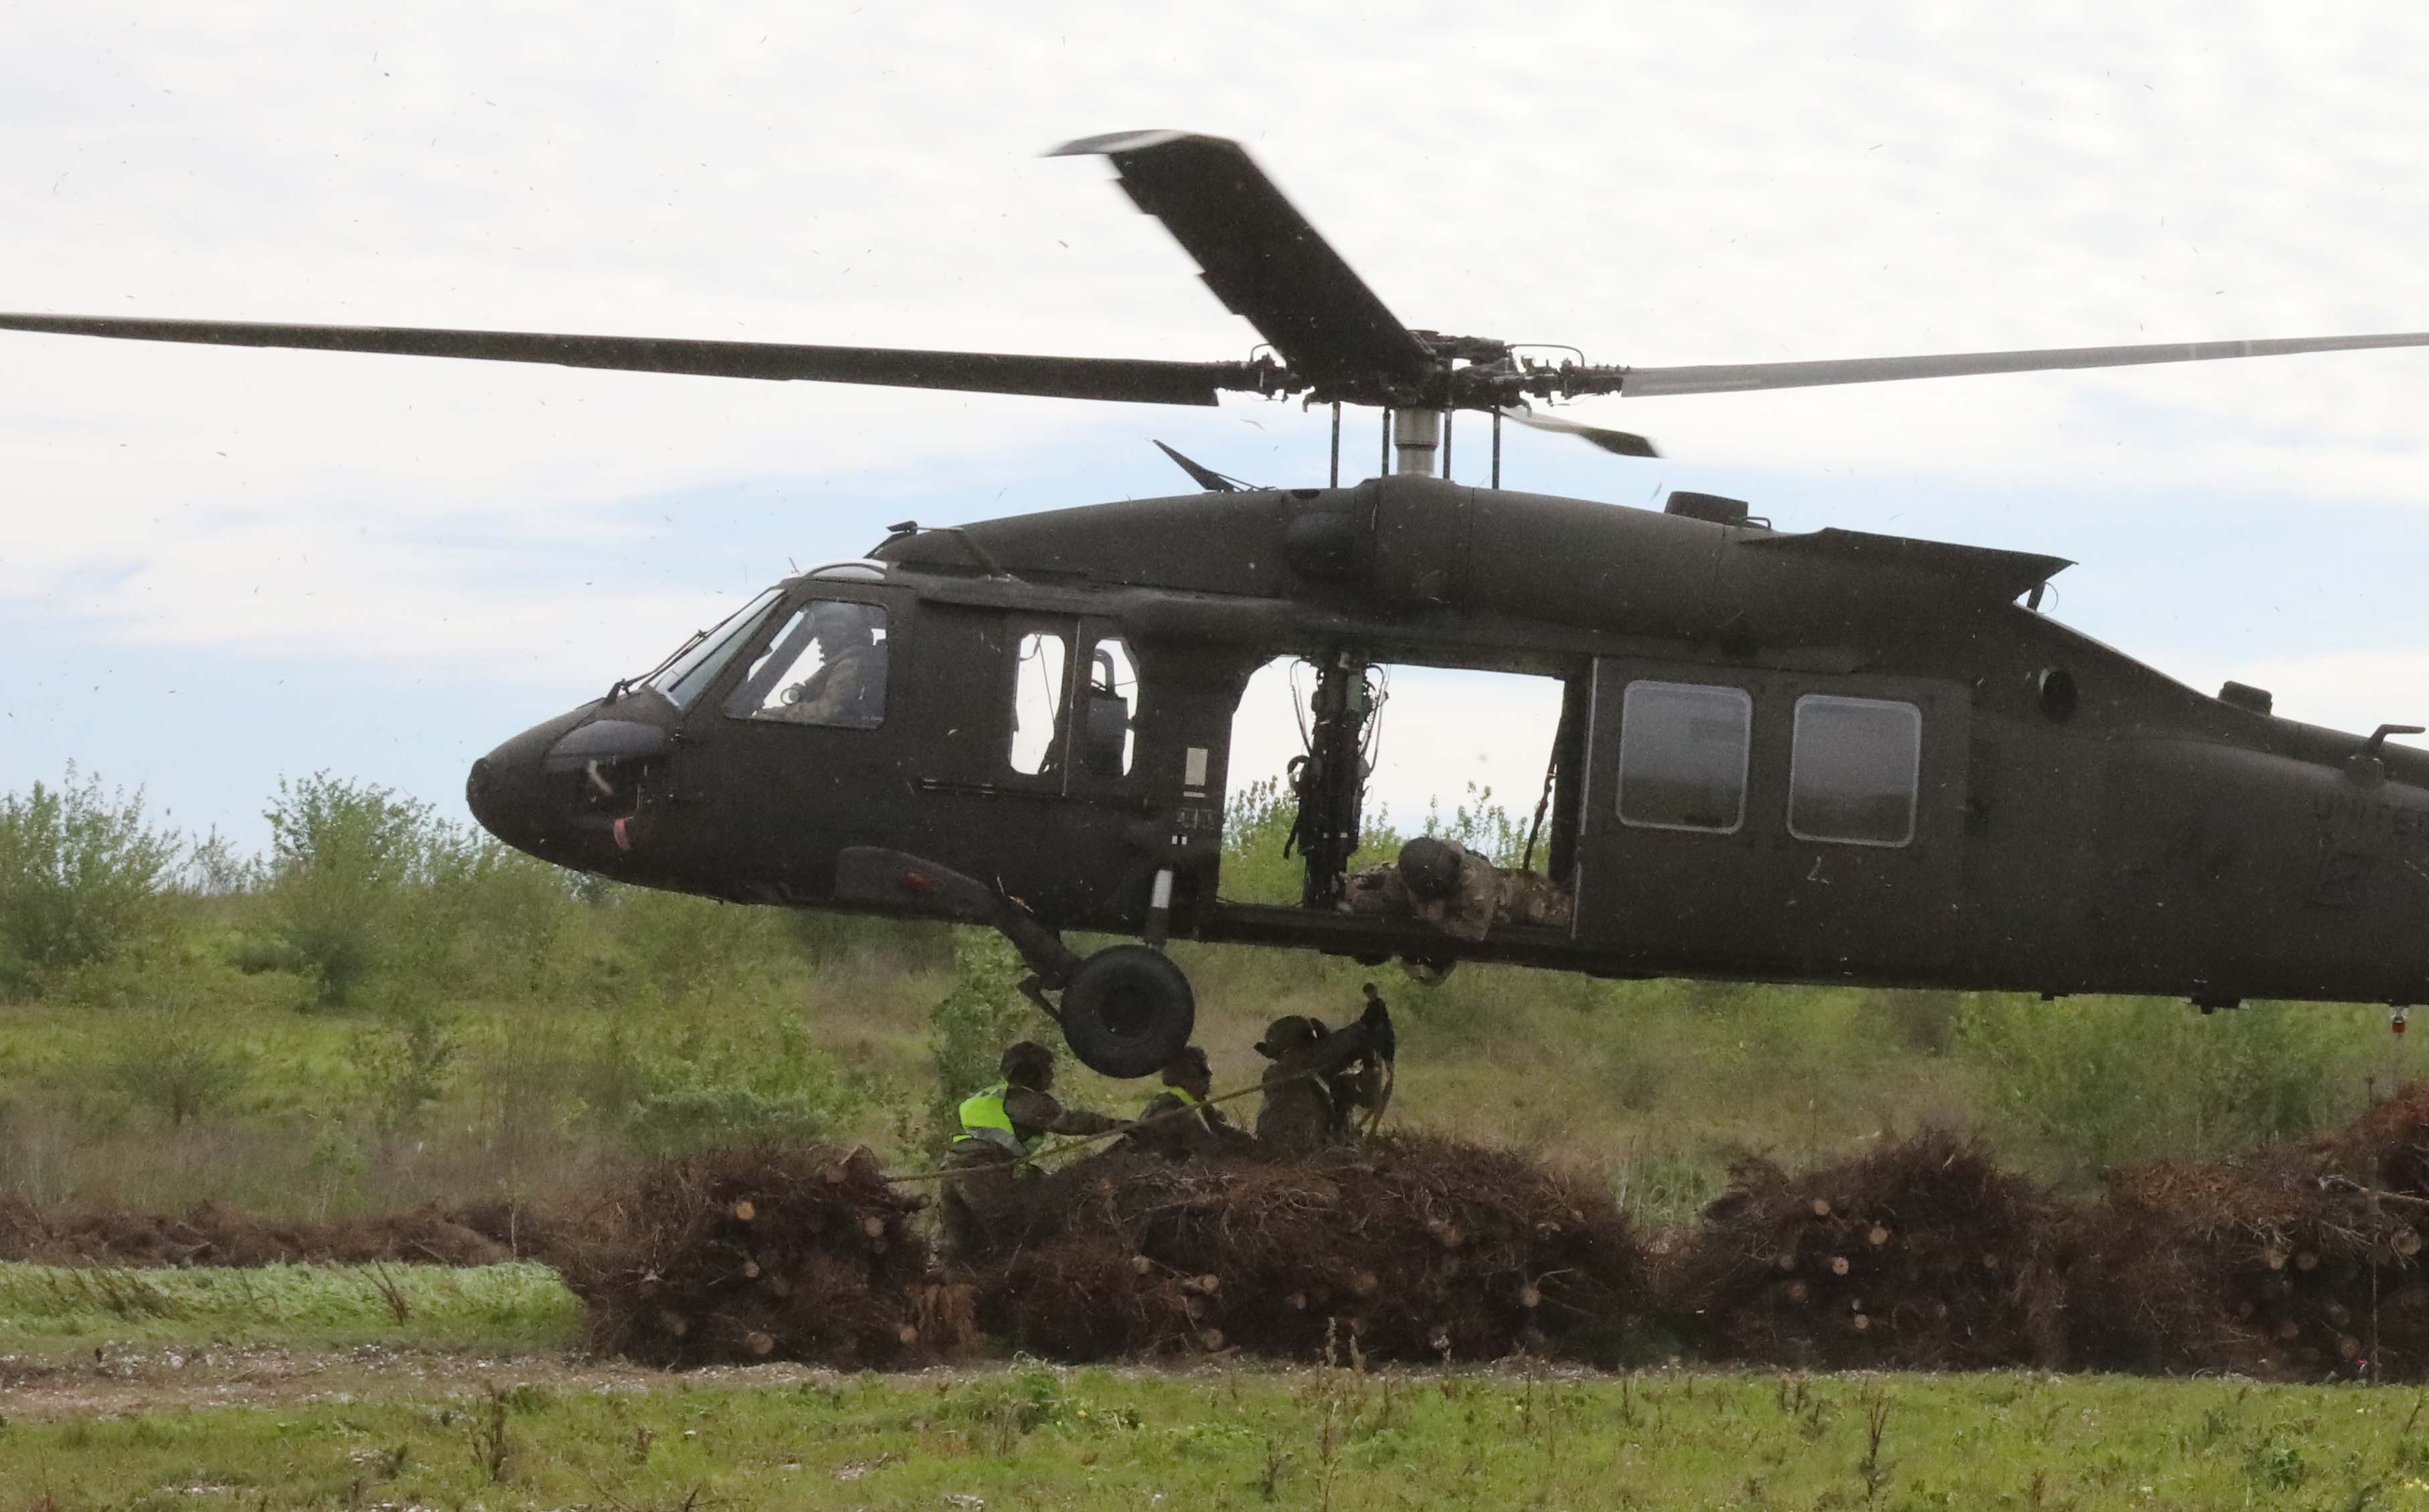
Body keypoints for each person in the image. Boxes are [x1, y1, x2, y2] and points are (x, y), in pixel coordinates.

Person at [940, 1040, 1127, 1255]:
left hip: (952, 1167)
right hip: (980, 1171)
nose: (1051, 1077)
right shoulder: (1027, 1100)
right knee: (1015, 1236)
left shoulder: (992, 1095)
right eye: (1047, 1070)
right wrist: (1117, 1126)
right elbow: (1070, 1122)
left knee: (960, 1245)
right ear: (1032, 1073)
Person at [1252, 987, 1396, 1151]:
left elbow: (1370, 1100)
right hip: (1286, 1148)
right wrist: (1361, 1028)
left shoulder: (1326, 1075)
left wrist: (1370, 1066)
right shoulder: (1276, 1074)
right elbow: (1314, 1058)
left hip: (1317, 1151)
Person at [1121, 1046, 1252, 1161]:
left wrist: (1251, 1143)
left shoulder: (1192, 1102)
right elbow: (1213, 1151)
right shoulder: (1177, 1112)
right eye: (1203, 1071)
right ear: (1185, 1078)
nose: (1210, 1075)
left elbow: (1220, 1128)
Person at [775, 601, 888, 728]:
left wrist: (780, 714)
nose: (819, 640)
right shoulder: (842, 663)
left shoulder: (850, 665)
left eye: (824, 633)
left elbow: (825, 713)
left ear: (841, 633)